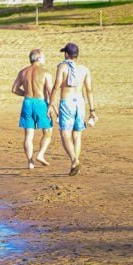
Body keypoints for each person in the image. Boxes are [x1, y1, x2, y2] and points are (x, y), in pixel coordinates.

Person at [49, 43, 95, 176]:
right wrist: (92, 110)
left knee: (65, 133)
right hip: (80, 103)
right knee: (77, 134)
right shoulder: (84, 69)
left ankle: (75, 160)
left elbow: (56, 86)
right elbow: (89, 90)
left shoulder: (62, 67)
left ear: (66, 54)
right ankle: (74, 164)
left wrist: (51, 104)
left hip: (67, 102)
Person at [12, 49, 53, 169]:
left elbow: (14, 89)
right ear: (39, 58)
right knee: (48, 132)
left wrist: (26, 94)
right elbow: (51, 92)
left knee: (28, 135)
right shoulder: (45, 73)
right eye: (43, 57)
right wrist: (53, 107)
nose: (44, 59)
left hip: (27, 102)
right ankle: (40, 154)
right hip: (41, 103)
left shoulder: (23, 72)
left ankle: (30, 162)